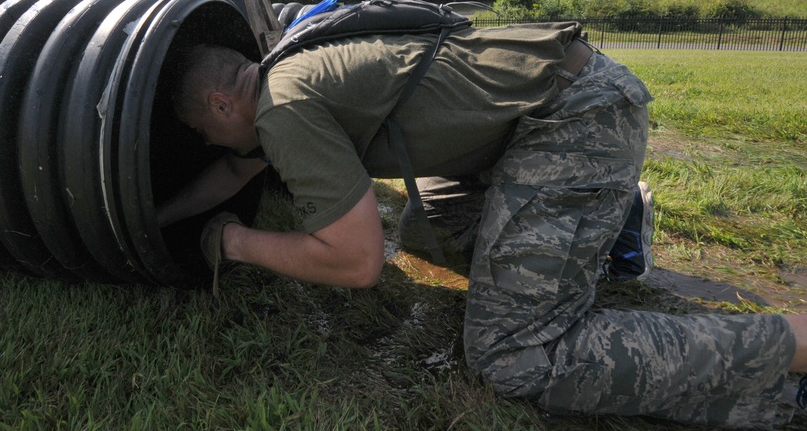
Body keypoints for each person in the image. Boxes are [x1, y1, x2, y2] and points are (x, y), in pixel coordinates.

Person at [159, 21, 807, 428]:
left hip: (573, 119)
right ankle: (607, 218)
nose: (212, 144)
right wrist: (150, 220)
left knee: (515, 354)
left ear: (222, 103)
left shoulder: (283, 104)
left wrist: (233, 241)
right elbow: (231, 175)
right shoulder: (289, 61)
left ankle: (789, 347)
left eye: (204, 131)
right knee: (422, 231)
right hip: (531, 118)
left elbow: (354, 261)